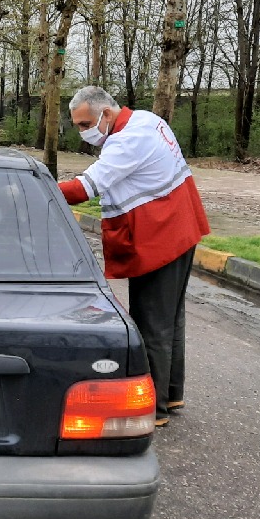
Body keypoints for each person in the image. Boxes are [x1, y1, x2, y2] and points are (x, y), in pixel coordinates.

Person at [57, 86, 210, 427]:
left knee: (152, 321)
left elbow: (86, 188)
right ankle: (171, 393)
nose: (83, 132)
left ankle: (153, 408)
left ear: (106, 114)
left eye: (85, 124)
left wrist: (39, 190)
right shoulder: (146, 120)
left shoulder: (127, 141)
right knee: (171, 318)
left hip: (161, 236)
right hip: (181, 227)